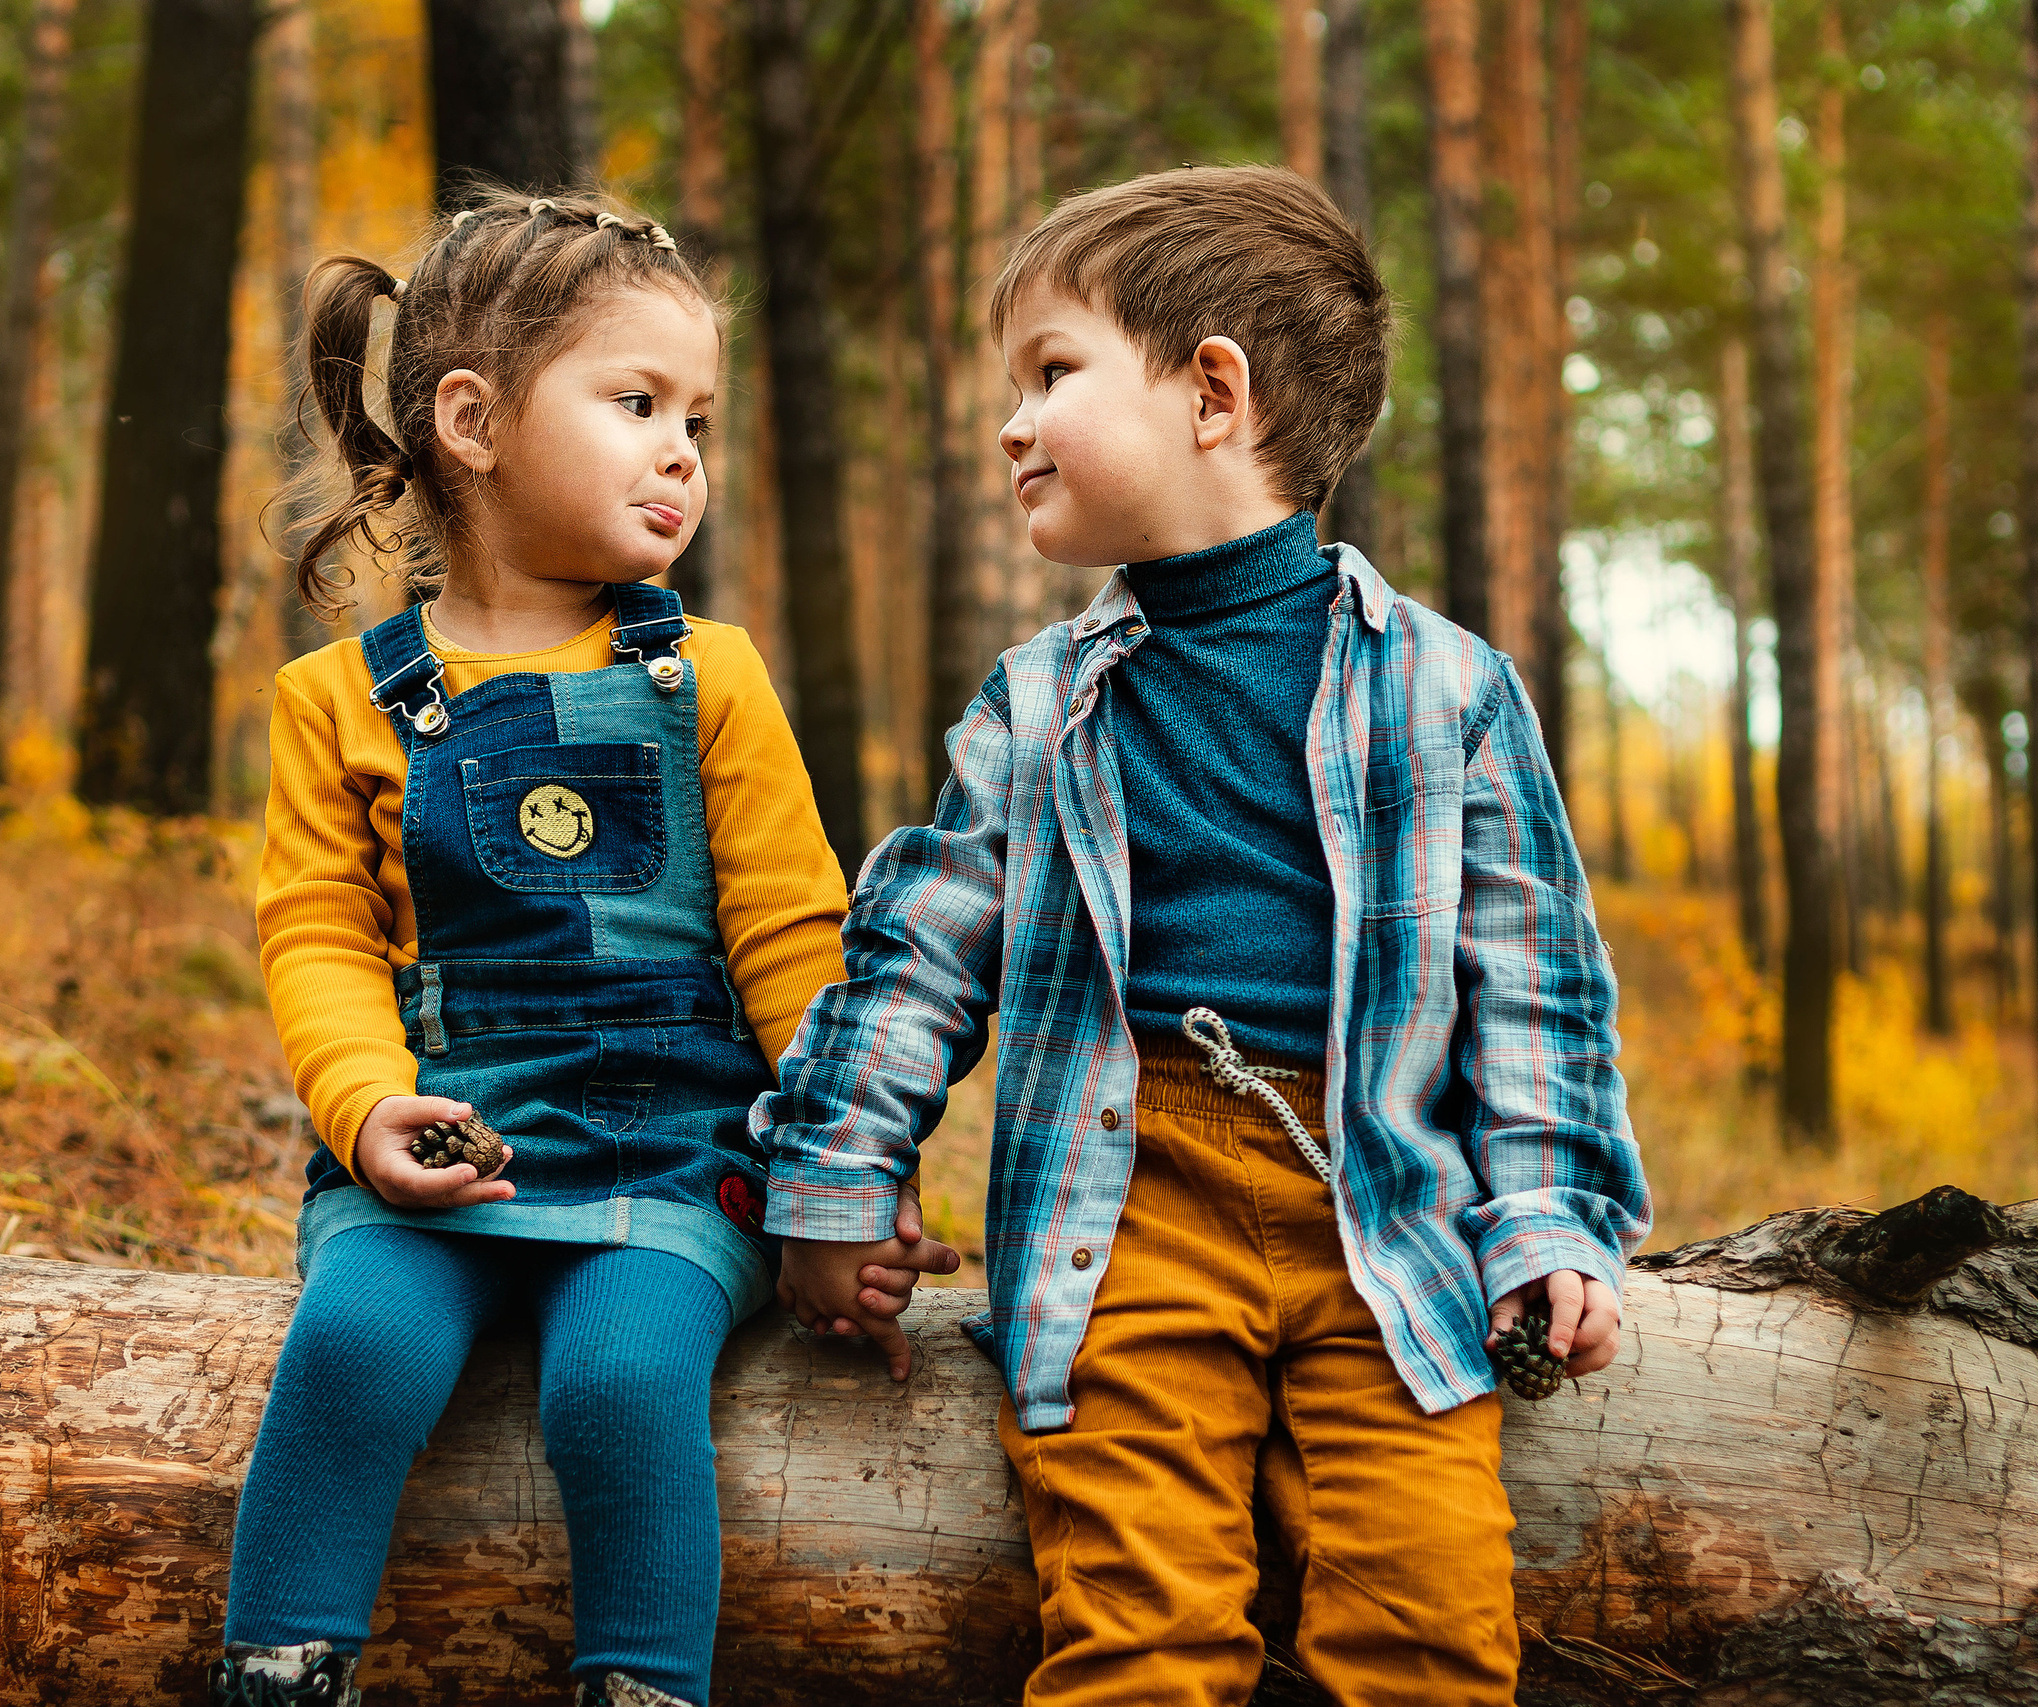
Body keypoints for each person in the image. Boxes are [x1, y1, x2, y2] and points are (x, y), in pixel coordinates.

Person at [755, 165, 1651, 1707]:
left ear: (1213, 394)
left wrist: (1551, 1222)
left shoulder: (1448, 690)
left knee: (1429, 1637)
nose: (1012, 424)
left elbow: (1537, 994)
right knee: (1138, 1640)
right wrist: (834, 1182)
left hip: (1389, 1213)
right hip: (1126, 1210)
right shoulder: (1040, 704)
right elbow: (915, 957)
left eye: (1051, 373)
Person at [222, 189, 854, 1707]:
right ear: (472, 422)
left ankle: (641, 1686)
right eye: (637, 404)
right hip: (447, 1134)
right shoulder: (339, 699)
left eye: (698, 417)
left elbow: (792, 938)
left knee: (621, 1382)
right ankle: (281, 1669)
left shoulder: (711, 676)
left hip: (670, 1149)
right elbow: (318, 936)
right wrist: (368, 1109)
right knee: (354, 1348)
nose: (683, 451)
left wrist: (845, 1175)